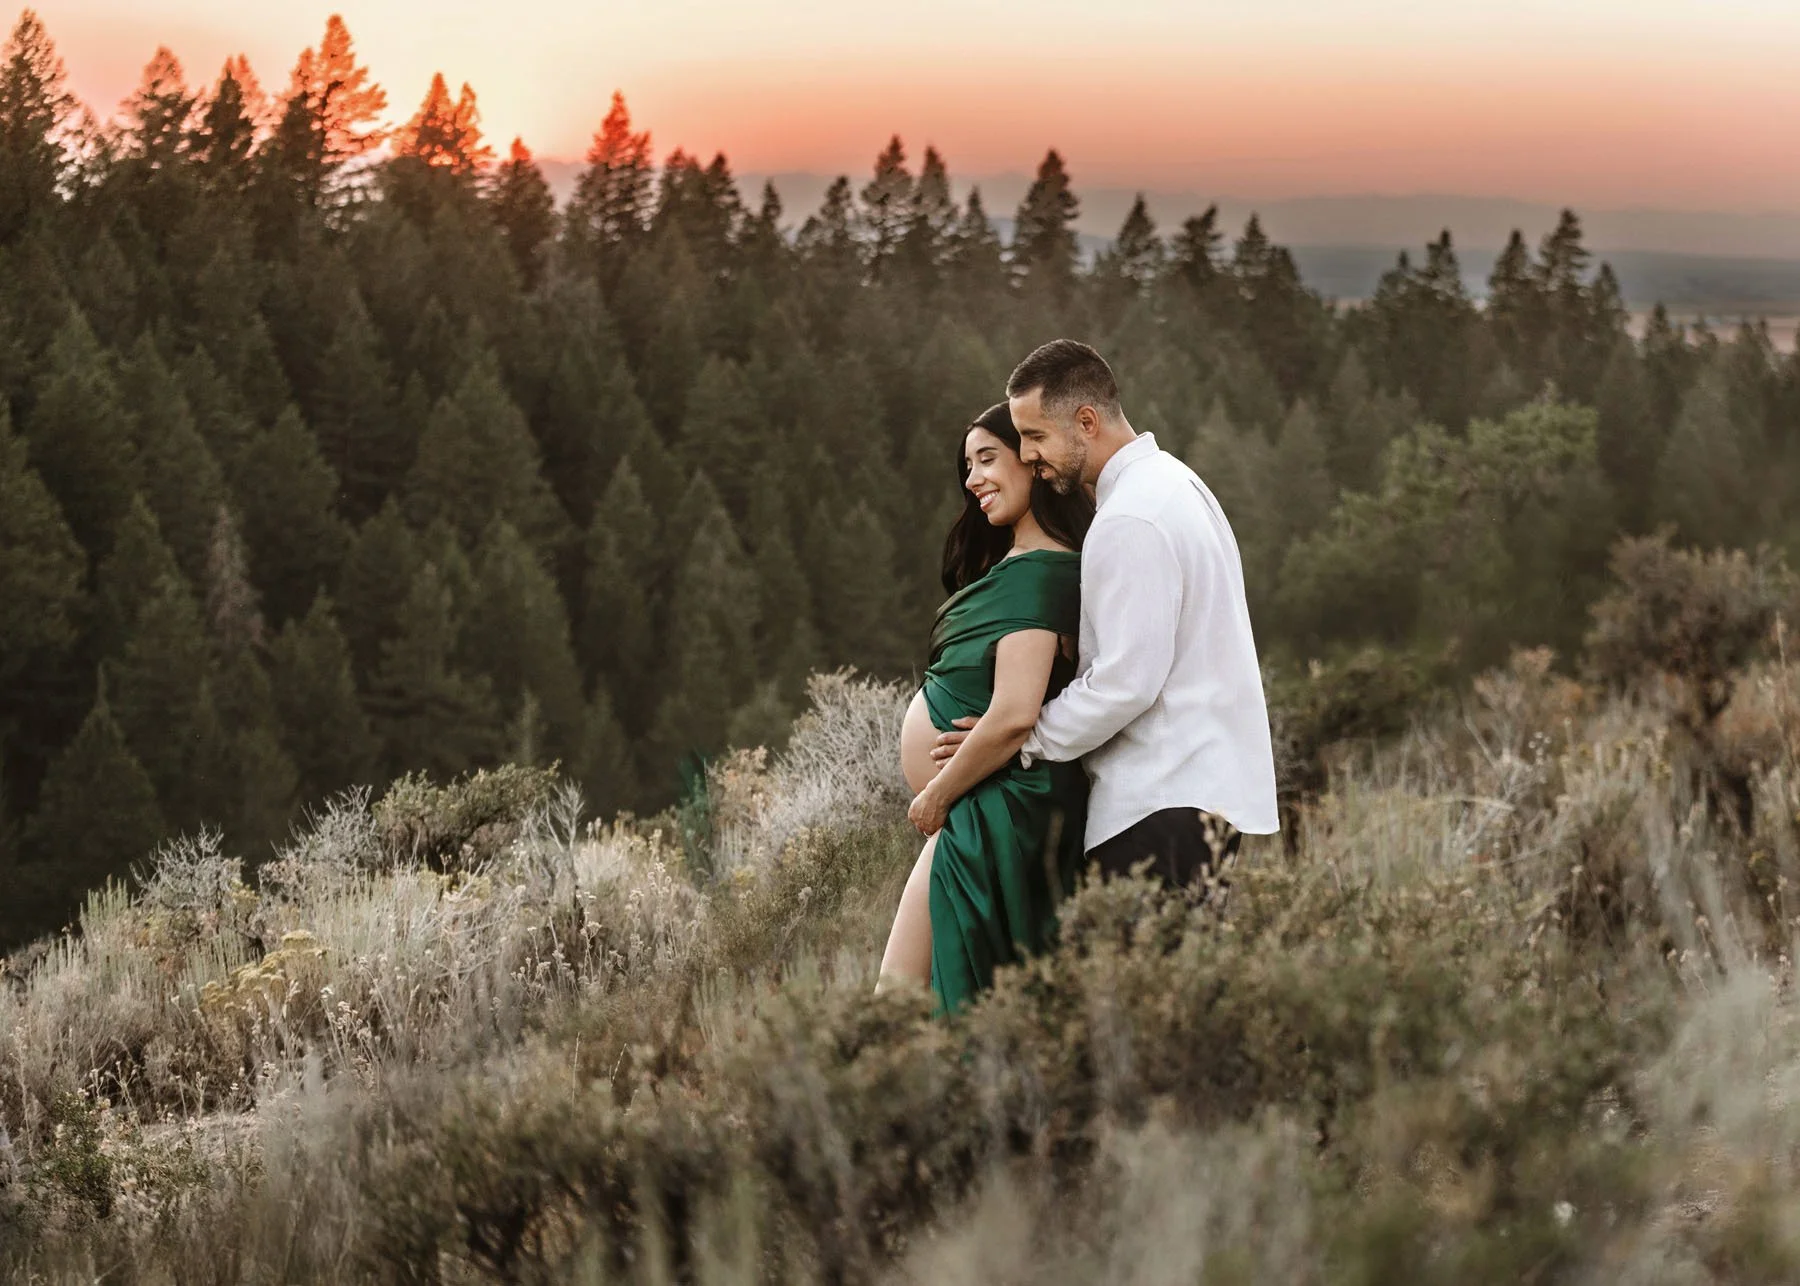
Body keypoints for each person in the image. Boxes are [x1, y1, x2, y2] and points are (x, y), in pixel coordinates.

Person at [932, 339, 1279, 890]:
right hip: (1195, 797)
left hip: (1159, 806)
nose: (1026, 456)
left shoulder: (1130, 518)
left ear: (1086, 421)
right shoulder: (1176, 485)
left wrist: (1021, 741)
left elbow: (1125, 682)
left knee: (1133, 977)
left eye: (1036, 437)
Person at [878, 402, 1094, 1014]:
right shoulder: (1018, 567)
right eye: (966, 465)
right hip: (981, 809)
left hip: (994, 813)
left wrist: (936, 794)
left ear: (1030, 460)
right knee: (903, 998)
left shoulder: (1041, 573)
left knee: (903, 1002)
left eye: (987, 458)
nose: (972, 479)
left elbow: (1014, 714)